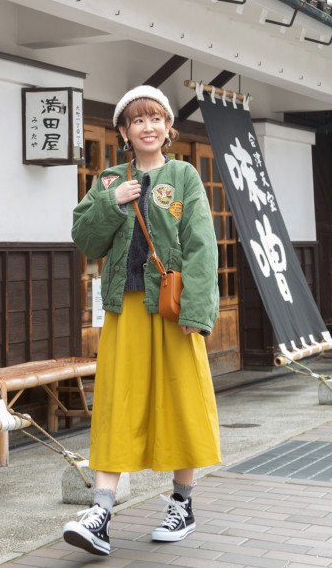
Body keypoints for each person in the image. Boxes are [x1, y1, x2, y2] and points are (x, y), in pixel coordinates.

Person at [63, 85, 221, 556]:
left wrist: (196, 310)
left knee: (181, 397)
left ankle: (182, 502)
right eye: (138, 120)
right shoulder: (110, 181)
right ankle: (101, 511)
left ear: (168, 128)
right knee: (117, 401)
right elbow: (86, 241)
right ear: (124, 132)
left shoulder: (184, 176)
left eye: (156, 119)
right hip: (125, 308)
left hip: (173, 310)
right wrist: (112, 204)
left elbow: (201, 245)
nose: (148, 127)